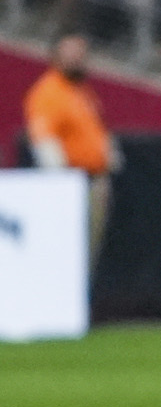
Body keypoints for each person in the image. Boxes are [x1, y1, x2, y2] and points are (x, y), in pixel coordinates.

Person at [21, 31, 117, 265]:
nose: (78, 58)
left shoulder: (81, 91)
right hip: (74, 184)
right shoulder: (48, 93)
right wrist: (63, 187)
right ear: (54, 56)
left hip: (94, 182)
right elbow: (44, 141)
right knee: (73, 252)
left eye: (81, 53)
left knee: (89, 253)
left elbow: (94, 131)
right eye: (71, 53)